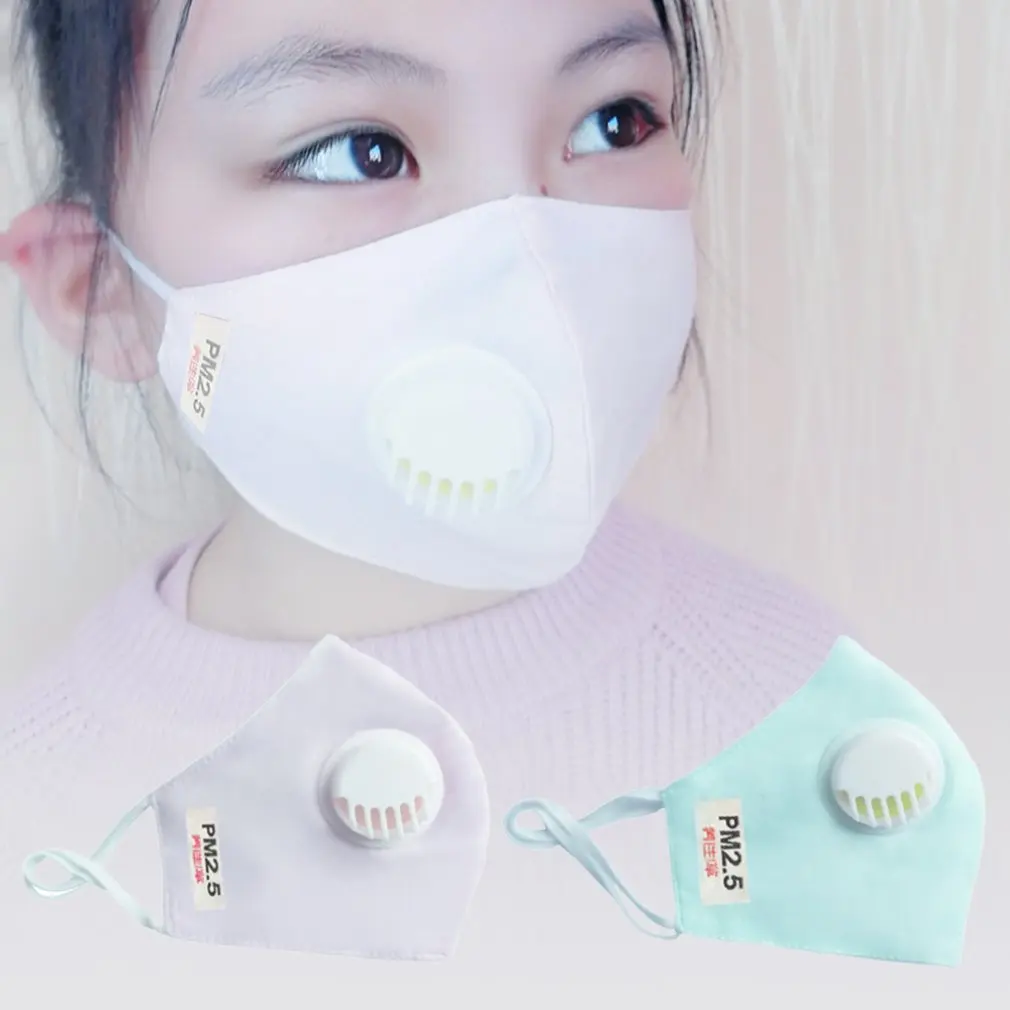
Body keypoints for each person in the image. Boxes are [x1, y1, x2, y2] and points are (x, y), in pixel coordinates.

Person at [0, 0, 847, 985]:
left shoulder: (809, 721)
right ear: (99, 289)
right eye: (360, 152)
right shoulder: (39, 823)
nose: (527, 254)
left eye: (613, 122)